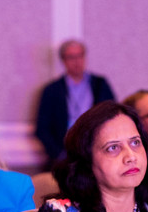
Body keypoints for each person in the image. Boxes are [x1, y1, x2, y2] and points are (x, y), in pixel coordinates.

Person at [34, 39, 116, 167]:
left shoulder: (100, 84)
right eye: (71, 57)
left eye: (80, 56)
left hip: (96, 149)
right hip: (64, 153)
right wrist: (59, 155)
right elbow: (42, 128)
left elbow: (113, 115)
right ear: (63, 61)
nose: (77, 61)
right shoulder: (52, 90)